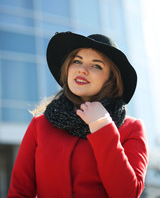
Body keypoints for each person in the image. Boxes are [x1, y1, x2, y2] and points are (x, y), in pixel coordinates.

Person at [7, 31, 148, 198]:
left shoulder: (131, 128)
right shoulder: (40, 125)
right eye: (77, 61)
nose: (82, 69)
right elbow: (19, 192)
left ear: (111, 79)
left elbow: (127, 194)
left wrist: (101, 125)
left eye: (96, 65)